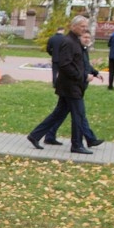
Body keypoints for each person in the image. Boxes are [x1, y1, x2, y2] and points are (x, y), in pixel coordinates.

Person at [26, 15, 95, 154]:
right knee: (79, 115)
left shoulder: (75, 42)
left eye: (85, 26)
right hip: (70, 86)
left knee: (59, 113)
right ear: (73, 26)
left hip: (72, 86)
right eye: (82, 26)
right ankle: (77, 144)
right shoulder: (69, 42)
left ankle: (35, 135)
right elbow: (65, 65)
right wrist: (82, 76)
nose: (84, 29)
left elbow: (78, 63)